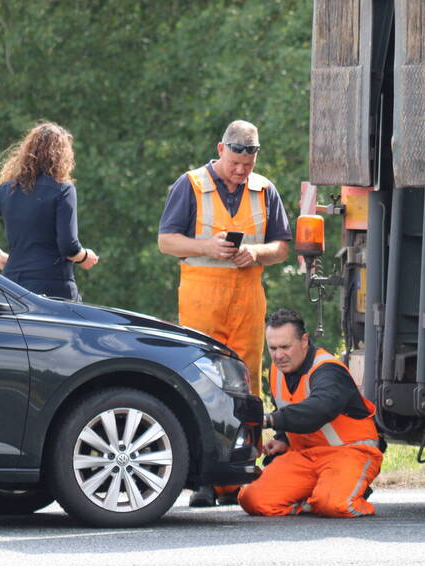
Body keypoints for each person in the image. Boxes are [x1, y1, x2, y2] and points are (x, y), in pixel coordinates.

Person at [157, 119, 291, 507]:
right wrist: (206, 247)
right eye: (235, 163)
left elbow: (281, 246)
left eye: (247, 165)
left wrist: (257, 253)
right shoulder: (191, 185)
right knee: (202, 382)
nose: (240, 171)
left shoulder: (264, 189)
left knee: (248, 385)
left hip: (247, 299)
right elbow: (166, 241)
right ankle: (204, 479)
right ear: (221, 150)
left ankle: (240, 473)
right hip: (202, 299)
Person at [239, 309, 383, 518]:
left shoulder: (328, 370)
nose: (279, 355)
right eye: (273, 348)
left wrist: (270, 421)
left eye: (285, 347)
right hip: (305, 457)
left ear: (304, 341)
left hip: (349, 454)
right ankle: (315, 500)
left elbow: (318, 410)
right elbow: (287, 406)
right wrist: (282, 440)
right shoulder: (277, 371)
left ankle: (339, 496)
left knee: (335, 505)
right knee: (251, 499)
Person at [0, 121, 98, 300]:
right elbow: (68, 246)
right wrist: (85, 257)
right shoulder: (63, 189)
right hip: (53, 290)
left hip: (12, 288)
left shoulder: (7, 189)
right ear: (63, 156)